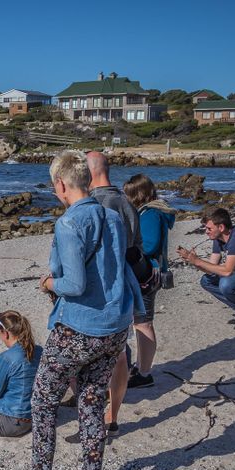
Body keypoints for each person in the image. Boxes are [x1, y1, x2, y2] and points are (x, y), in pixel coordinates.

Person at [5, 150, 142, 470]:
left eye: (54, 186)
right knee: (93, 401)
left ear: (61, 185)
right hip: (115, 324)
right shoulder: (112, 216)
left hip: (80, 326)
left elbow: (75, 284)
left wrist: (50, 284)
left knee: (43, 399)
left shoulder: (68, 224)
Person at [86, 151, 143, 433]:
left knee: (89, 355)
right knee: (119, 355)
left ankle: (95, 415)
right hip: (123, 285)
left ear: (88, 173)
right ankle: (113, 415)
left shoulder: (94, 204)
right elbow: (135, 247)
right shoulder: (126, 202)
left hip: (99, 289)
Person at [122, 174, 176, 388]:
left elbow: (151, 244)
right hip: (152, 271)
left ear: (137, 194)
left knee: (143, 323)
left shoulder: (151, 213)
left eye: (128, 193)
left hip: (148, 274)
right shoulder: (153, 211)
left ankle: (145, 373)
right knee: (141, 321)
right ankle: (142, 366)